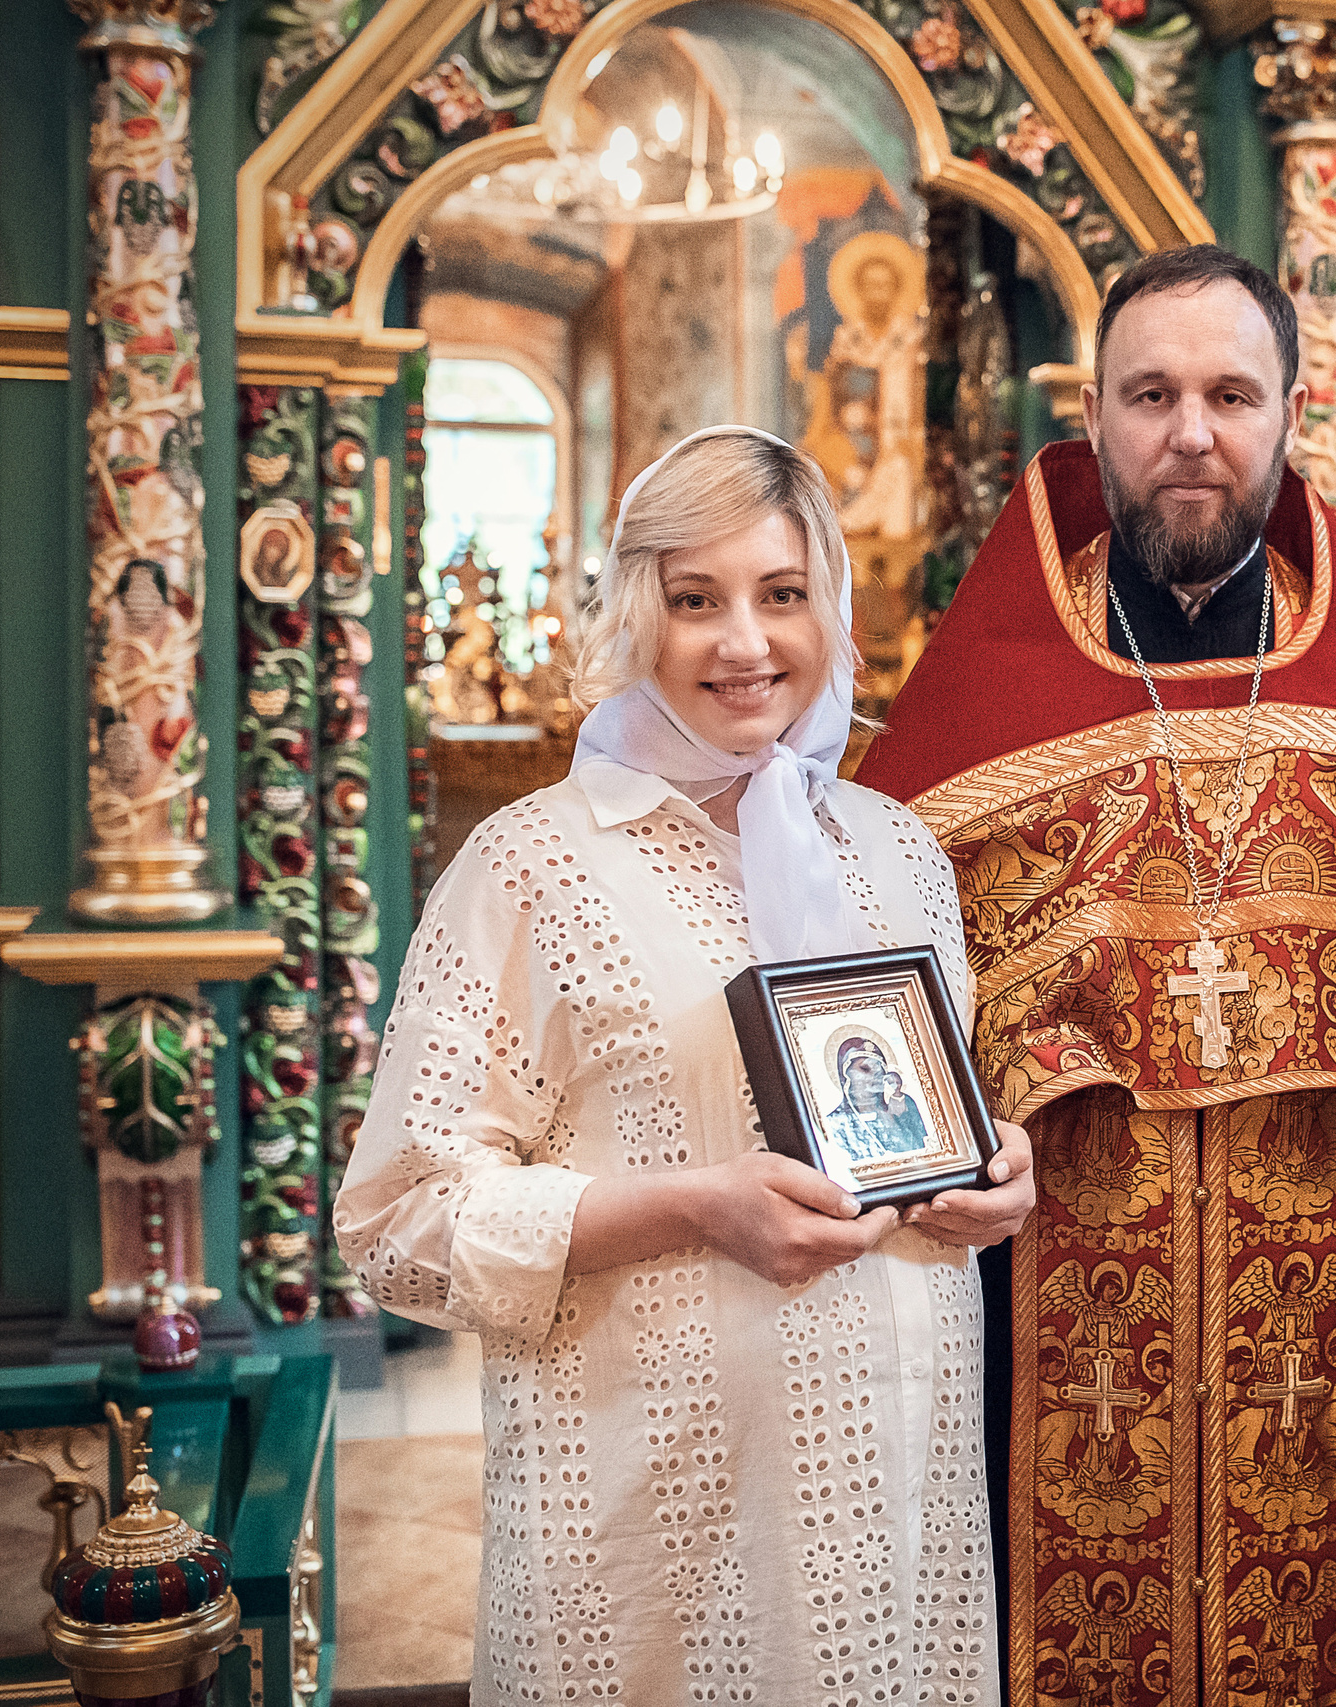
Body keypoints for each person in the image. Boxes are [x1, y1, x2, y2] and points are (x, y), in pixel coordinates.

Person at [856, 244, 1336, 1707]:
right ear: (1093, 414)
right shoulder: (981, 716)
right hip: (1046, 1302)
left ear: (1291, 417)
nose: (1192, 432)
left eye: (1231, 394)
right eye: (1151, 395)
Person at [335, 425, 1037, 1704]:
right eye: (695, 599)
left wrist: (993, 1178)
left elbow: (917, 1120)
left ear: (832, 610)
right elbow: (397, 1224)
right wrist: (693, 1206)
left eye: (783, 594)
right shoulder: (532, 863)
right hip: (652, 1527)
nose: (744, 642)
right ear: (634, 613)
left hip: (896, 1509)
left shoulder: (897, 852)